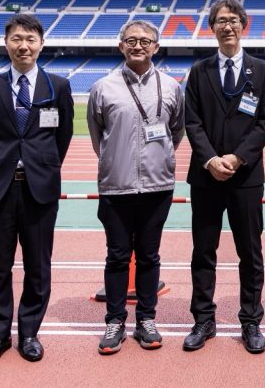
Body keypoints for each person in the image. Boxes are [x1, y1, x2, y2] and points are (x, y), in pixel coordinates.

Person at [0, 14, 74, 367]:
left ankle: (29, 333)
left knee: (37, 265)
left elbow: (62, 137)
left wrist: (39, 166)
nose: (23, 45)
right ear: (7, 44)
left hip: (40, 190)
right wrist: (8, 163)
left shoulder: (57, 87)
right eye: (17, 38)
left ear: (41, 44)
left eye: (30, 39)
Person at [183, 0, 265, 354]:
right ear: (212, 28)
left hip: (246, 178)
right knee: (203, 251)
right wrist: (210, 160)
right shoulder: (199, 71)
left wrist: (237, 159)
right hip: (206, 178)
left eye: (233, 20)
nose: (227, 26)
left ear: (243, 25)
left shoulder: (262, 71)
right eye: (220, 20)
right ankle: (203, 319)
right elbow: (192, 121)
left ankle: (251, 320)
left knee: (250, 253)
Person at [87, 20, 185, 355]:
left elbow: (176, 131)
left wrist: (156, 161)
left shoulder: (171, 87)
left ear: (156, 47)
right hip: (116, 186)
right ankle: (114, 320)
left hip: (158, 187)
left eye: (145, 41)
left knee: (148, 255)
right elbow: (98, 135)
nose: (138, 45)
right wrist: (118, 161)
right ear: (121, 46)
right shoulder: (103, 87)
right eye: (131, 40)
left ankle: (146, 318)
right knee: (117, 256)